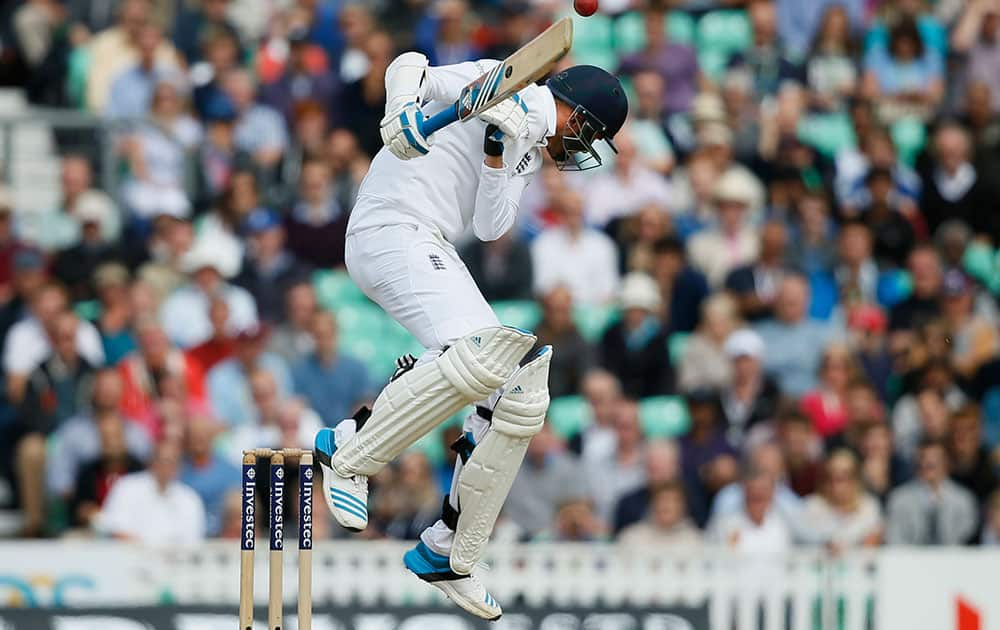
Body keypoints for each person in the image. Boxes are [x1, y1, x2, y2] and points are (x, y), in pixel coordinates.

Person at [312, 55, 628, 619]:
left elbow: (490, 226)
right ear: (575, 114)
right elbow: (410, 66)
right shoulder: (512, 86)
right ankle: (349, 454)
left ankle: (450, 550)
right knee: (480, 356)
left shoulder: (523, 138)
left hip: (431, 240)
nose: (584, 146)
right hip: (390, 228)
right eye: (590, 132)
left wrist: (495, 155)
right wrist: (400, 116)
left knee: (516, 386)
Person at [94, 440, 206, 545]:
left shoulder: (189, 498)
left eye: (171, 462)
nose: (166, 467)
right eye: (161, 460)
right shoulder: (127, 487)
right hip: (129, 558)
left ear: (179, 466)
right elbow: (115, 528)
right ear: (151, 461)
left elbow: (192, 541)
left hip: (173, 561)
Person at [531, 189, 620, 306]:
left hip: (595, 313)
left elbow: (609, 288)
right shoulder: (543, 243)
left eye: (577, 211)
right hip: (557, 311)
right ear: (559, 213)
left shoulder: (602, 244)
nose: (573, 217)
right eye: (568, 211)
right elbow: (542, 286)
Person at [885, 438, 978, 545]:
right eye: (924, 458)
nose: (929, 462)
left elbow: (967, 540)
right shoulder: (899, 499)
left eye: (935, 459)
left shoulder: (964, 499)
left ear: (947, 462)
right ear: (917, 462)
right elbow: (895, 539)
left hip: (953, 559)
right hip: (911, 559)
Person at [754, 275, 835, 397]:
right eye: (785, 300)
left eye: (794, 301)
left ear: (807, 300)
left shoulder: (825, 334)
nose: (789, 305)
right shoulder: (758, 334)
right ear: (776, 300)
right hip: (769, 403)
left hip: (812, 401)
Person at [291, 310, 372, 426]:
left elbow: (365, 402)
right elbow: (298, 404)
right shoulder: (300, 370)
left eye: (327, 334)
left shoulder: (356, 368)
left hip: (350, 432)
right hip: (315, 433)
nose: (324, 341)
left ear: (336, 333)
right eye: (319, 335)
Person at [598, 272, 673, 398]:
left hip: (650, 399)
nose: (635, 315)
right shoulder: (611, 335)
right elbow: (608, 369)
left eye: (640, 309)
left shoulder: (659, 337)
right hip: (617, 399)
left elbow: (663, 376)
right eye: (631, 309)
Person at [800, 450, 883, 549]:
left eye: (842, 478)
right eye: (830, 477)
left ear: (856, 479)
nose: (836, 486)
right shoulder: (812, 506)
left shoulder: (869, 506)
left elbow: (871, 546)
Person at [678, 293, 741, 393]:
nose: (716, 326)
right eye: (712, 321)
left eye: (722, 320)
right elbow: (688, 383)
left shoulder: (742, 342)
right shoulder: (695, 345)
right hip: (706, 401)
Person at [619, 481, 702, 547]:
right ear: (652, 504)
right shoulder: (632, 537)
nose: (666, 505)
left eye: (673, 501)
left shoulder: (694, 540)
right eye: (662, 500)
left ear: (683, 507)